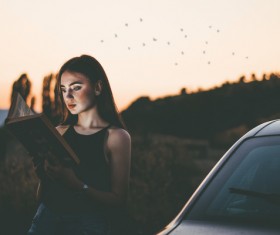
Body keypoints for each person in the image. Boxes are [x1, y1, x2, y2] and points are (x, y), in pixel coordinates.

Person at [28, 55, 131, 235]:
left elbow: (119, 201)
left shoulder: (116, 137)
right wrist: (44, 177)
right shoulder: (58, 131)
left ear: (98, 87)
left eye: (76, 87)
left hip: (86, 226)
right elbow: (40, 197)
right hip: (44, 219)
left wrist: (76, 184)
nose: (68, 96)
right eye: (63, 89)